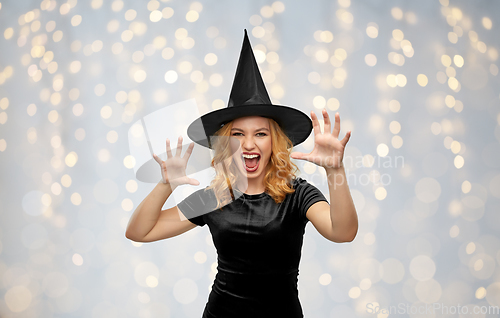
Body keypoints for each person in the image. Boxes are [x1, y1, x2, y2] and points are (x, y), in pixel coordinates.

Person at [125, 30, 358, 318]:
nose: (248, 144)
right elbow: (139, 232)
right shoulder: (214, 197)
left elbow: (344, 232)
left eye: (260, 134)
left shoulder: (298, 194)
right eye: (237, 134)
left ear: (275, 142)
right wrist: (166, 184)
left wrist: (336, 170)